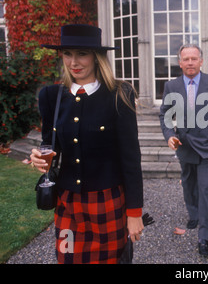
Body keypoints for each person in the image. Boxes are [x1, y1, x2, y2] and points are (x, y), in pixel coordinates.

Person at [30, 24, 144, 264]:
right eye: (68, 53)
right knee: (67, 259)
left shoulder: (119, 95)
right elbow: (49, 145)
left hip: (107, 203)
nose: (74, 62)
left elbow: (131, 159)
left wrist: (134, 213)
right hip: (68, 203)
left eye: (82, 53)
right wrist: (39, 158)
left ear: (96, 56)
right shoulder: (51, 96)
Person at [159, 44, 208, 257]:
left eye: (194, 58)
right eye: (186, 59)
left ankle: (204, 238)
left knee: (206, 188)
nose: (190, 62)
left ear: (201, 61)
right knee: (189, 185)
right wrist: (169, 135)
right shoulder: (171, 86)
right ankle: (194, 213)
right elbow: (164, 115)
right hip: (185, 147)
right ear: (179, 63)